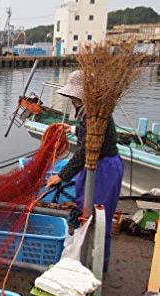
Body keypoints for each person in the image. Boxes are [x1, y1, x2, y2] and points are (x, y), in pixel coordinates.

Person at [46, 69, 124, 272]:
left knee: (98, 220)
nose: (71, 99)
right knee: (86, 213)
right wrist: (71, 129)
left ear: (79, 95)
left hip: (103, 168)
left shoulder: (93, 112)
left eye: (73, 95)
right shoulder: (91, 110)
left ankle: (96, 269)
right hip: (100, 166)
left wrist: (61, 176)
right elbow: (88, 135)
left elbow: (83, 152)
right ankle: (86, 260)